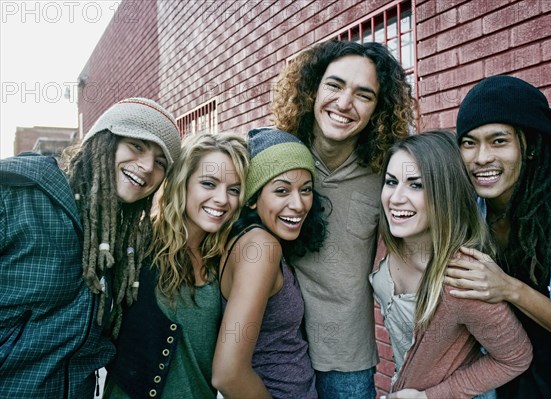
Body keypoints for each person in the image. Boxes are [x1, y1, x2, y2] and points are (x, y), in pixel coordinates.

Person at [0, 97, 181, 398]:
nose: (148, 166)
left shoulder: (123, 246)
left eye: (161, 162)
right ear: (103, 141)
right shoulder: (20, 193)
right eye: (137, 146)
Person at [271, 39, 416, 397]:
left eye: (363, 95)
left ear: (377, 109)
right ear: (312, 89)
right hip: (274, 349)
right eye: (334, 85)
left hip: (346, 359)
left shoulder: (387, 173)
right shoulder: (276, 156)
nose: (344, 103)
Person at [445, 75, 551, 399]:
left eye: (498, 141)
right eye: (469, 142)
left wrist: (510, 289)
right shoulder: (471, 213)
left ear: (528, 147)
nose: (481, 157)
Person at [371, 131, 532, 399]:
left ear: (445, 193)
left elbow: (516, 357)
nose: (396, 198)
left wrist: (429, 397)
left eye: (416, 185)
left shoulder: (463, 278)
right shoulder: (387, 241)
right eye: (391, 182)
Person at [102, 132, 249, 399]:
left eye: (234, 190)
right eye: (208, 183)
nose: (222, 199)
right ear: (183, 183)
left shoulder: (228, 258)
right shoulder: (137, 247)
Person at [212, 127, 328, 399]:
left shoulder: (249, 240)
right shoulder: (261, 248)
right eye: (281, 190)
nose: (298, 204)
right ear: (253, 198)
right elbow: (227, 374)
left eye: (306, 189)